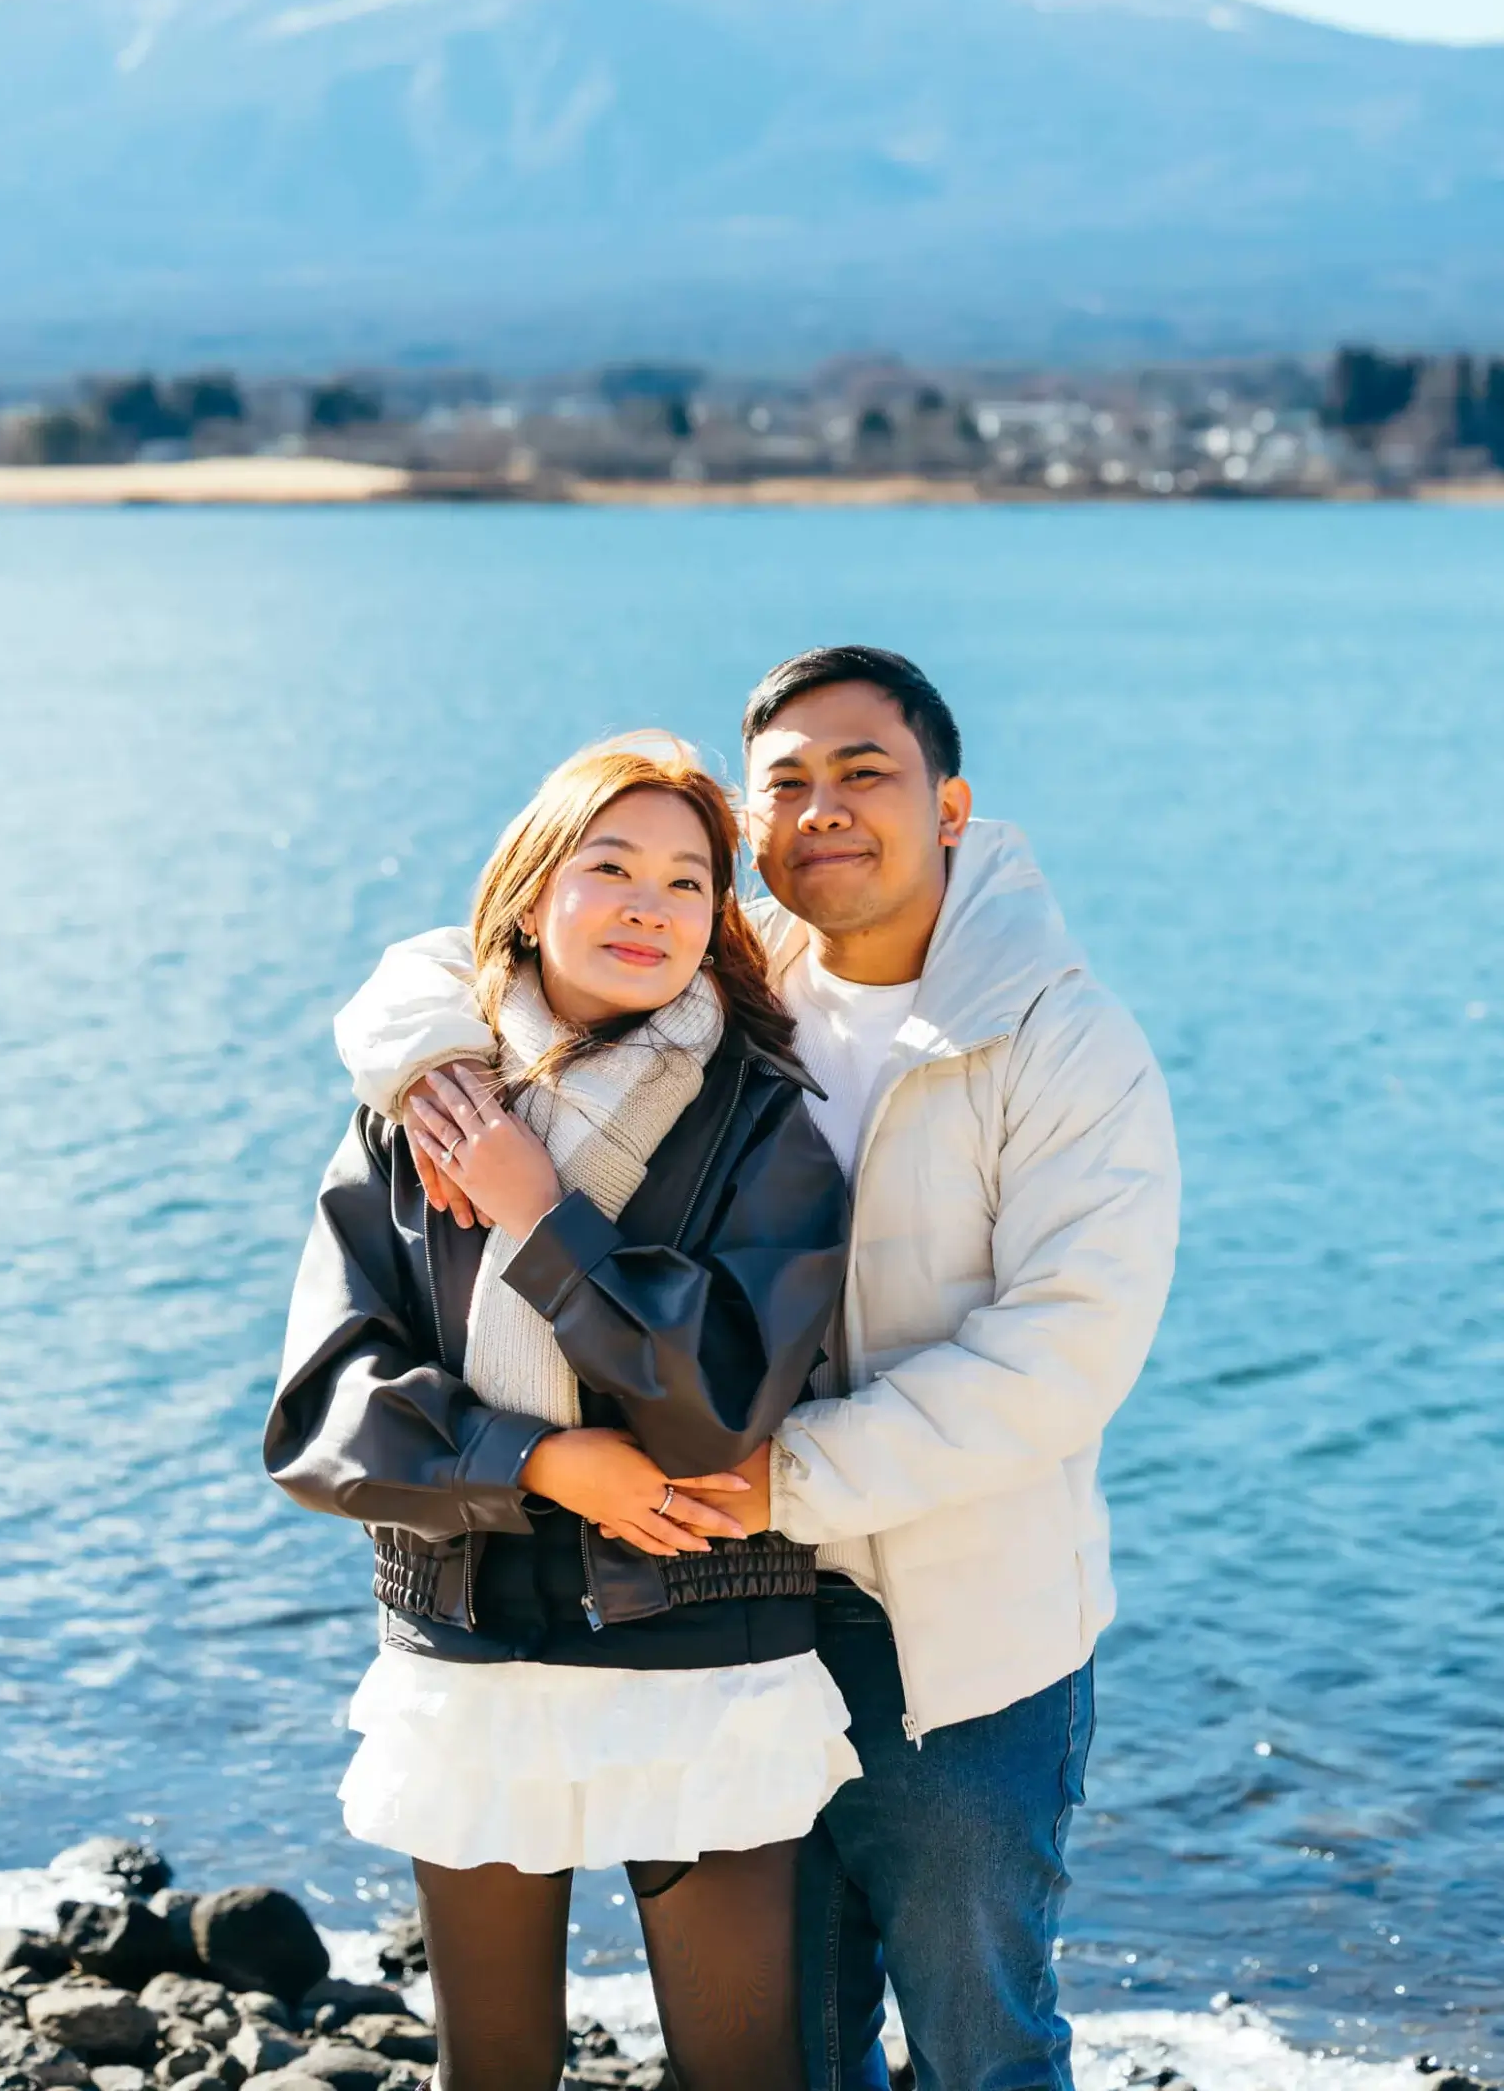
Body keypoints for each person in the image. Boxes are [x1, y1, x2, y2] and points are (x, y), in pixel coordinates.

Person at [333, 646, 1181, 2091]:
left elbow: (1061, 1354)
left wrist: (783, 1477)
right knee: (791, 2049)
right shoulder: (737, 972)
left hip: (944, 1629)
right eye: (786, 783)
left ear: (951, 806)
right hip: (731, 1616)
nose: (823, 809)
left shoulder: (1057, 1039)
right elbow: (458, 953)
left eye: (866, 773)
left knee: (978, 2038)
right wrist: (428, 1069)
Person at [264, 734, 858, 2091]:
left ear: (717, 922)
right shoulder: (418, 1114)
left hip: (707, 1651)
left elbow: (720, 1409)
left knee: (743, 2073)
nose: (651, 906)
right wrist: (534, 1461)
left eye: (688, 882)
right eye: (611, 868)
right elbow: (324, 1411)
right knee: (493, 2072)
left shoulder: (763, 1126)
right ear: (533, 895)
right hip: (469, 1643)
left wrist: (539, 1216)